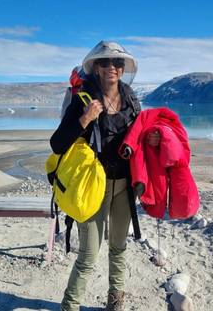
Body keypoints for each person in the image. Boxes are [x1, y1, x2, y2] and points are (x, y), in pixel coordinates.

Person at [50, 41, 159, 311]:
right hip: (92, 187)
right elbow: (57, 144)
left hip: (124, 185)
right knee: (88, 256)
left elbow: (138, 139)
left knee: (119, 248)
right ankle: (69, 306)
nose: (112, 67)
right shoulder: (83, 99)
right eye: (105, 62)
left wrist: (153, 140)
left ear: (123, 70)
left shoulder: (131, 99)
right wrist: (85, 119)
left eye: (117, 63)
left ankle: (115, 303)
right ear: (96, 67)